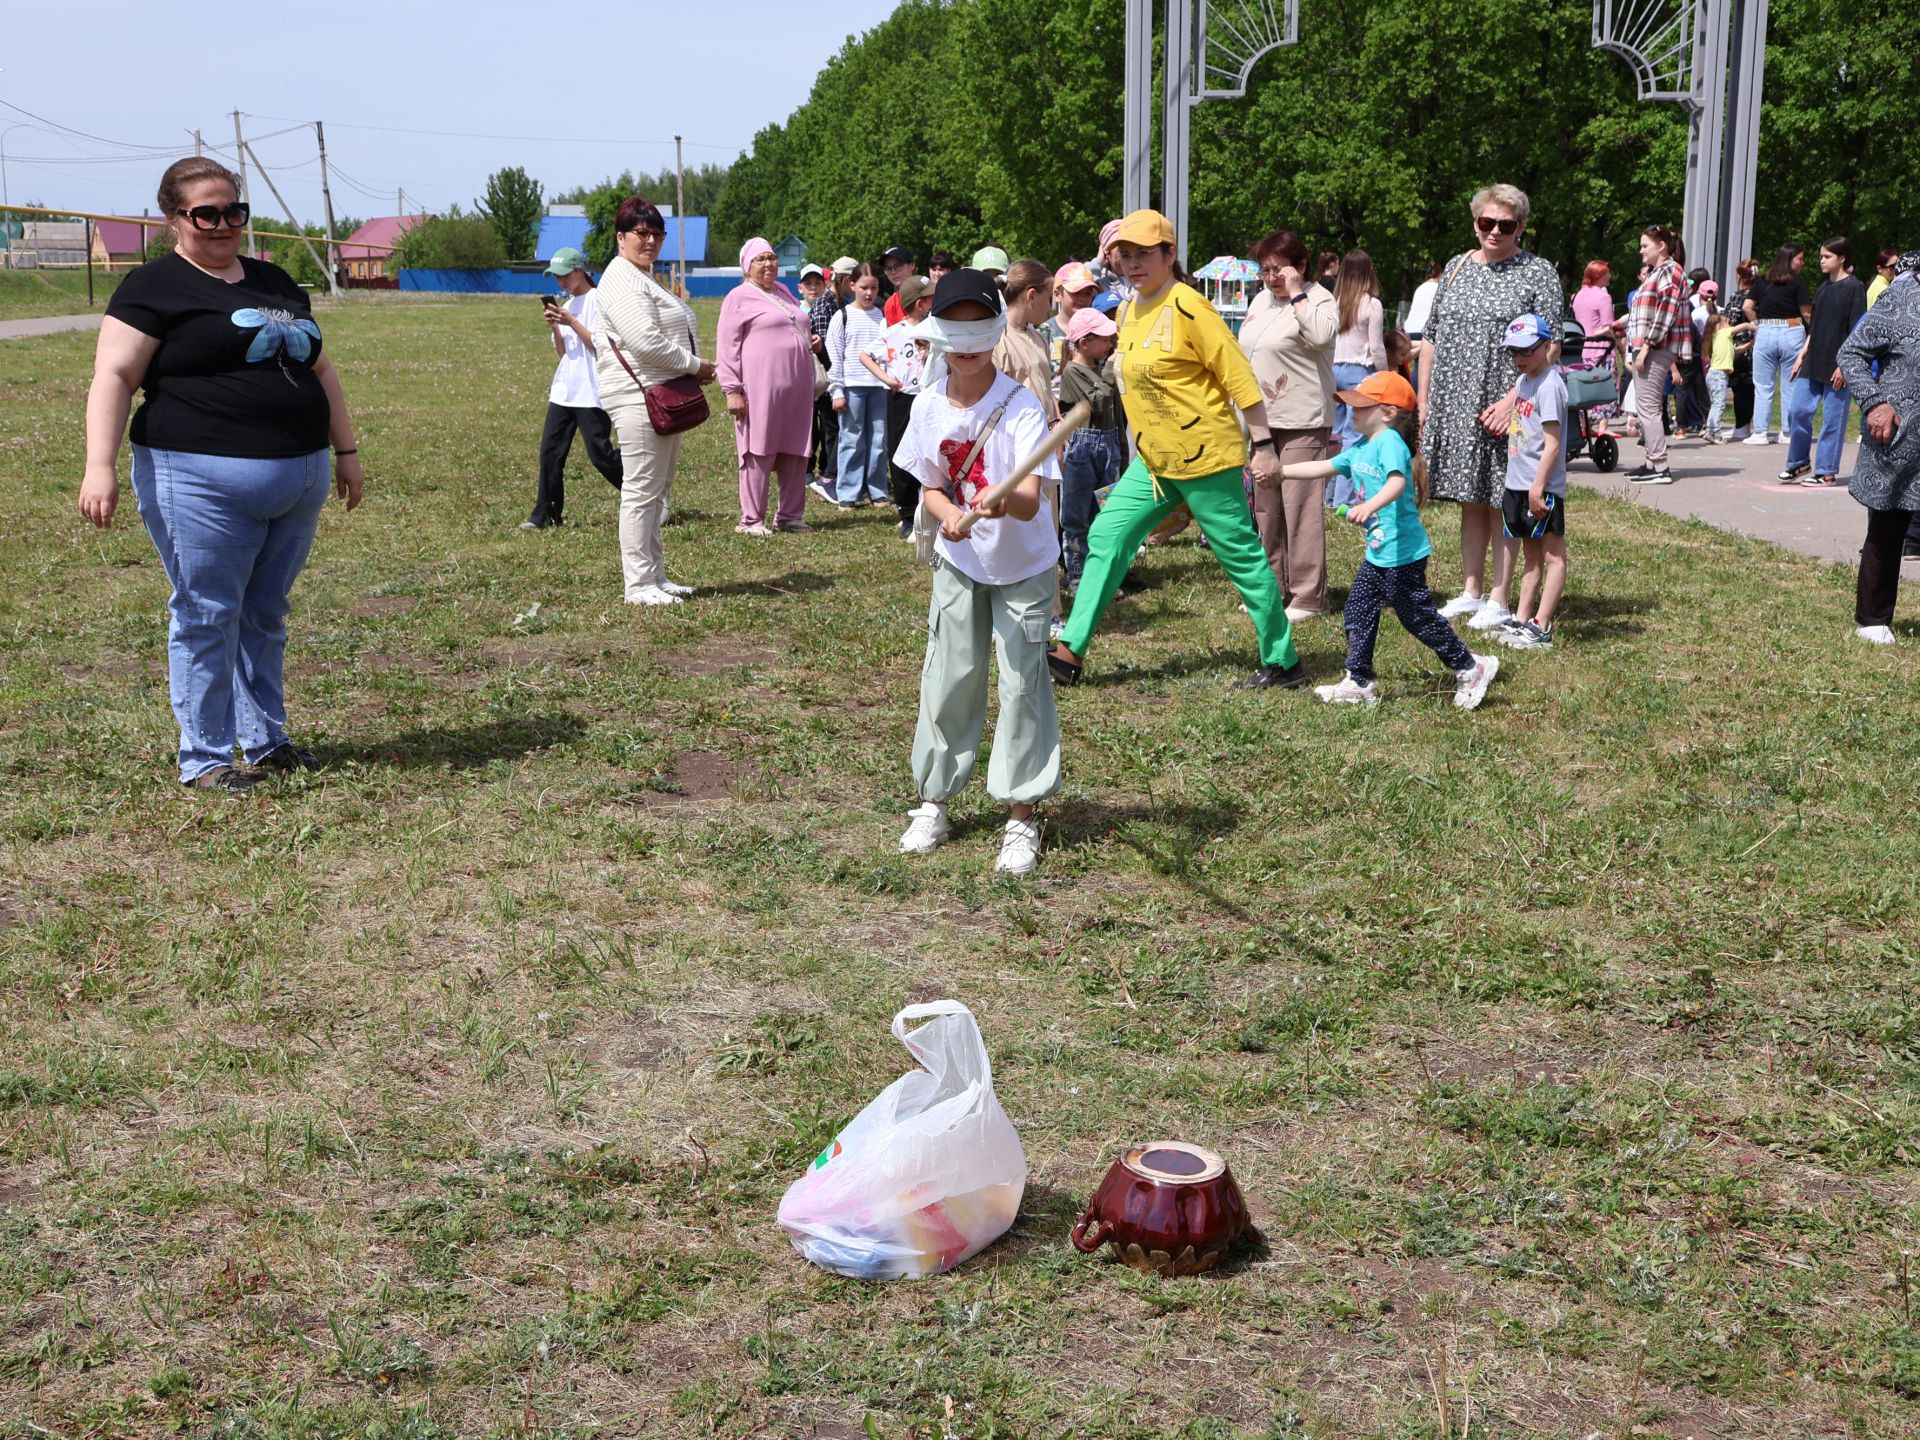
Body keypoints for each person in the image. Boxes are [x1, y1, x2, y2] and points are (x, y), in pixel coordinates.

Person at [78, 157, 364, 793]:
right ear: (173, 219)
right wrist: (100, 467)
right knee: (207, 613)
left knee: (264, 611)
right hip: (198, 477)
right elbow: (115, 377)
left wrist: (344, 452)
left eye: (234, 211)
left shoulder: (277, 281)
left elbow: (320, 370)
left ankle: (266, 741)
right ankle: (205, 757)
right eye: (206, 213)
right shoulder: (152, 287)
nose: (223, 224)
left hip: (299, 474)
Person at [1046, 209, 1306, 691]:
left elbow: (1240, 380)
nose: (1133, 263)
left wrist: (1265, 446)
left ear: (1170, 254)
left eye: (1145, 254)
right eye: (1125, 255)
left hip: (1205, 457)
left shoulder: (1190, 307)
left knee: (1241, 560)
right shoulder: (1126, 310)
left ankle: (1284, 662)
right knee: (1106, 536)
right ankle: (1070, 652)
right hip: (1154, 461)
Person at [894, 269, 1061, 875]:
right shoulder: (928, 405)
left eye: (977, 328)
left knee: (1022, 685)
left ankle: (1021, 814)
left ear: (995, 329)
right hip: (960, 562)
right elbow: (930, 487)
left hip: (1023, 565)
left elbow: (1032, 497)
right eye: (953, 329)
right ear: (936, 332)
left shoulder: (1019, 407)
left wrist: (999, 500)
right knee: (949, 676)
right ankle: (934, 799)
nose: (965, 344)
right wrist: (951, 517)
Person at [1269, 373, 1499, 709]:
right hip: (1380, 554)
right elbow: (1323, 467)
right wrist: (1281, 472)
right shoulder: (1361, 447)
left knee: (1416, 616)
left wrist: (1368, 506)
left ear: (1388, 412)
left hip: (1403, 553)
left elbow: (1395, 483)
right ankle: (1359, 682)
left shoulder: (1389, 442)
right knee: (1359, 607)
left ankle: (1470, 665)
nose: (1353, 412)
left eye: (1362, 406)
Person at [1415, 183, 1565, 628]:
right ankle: (1471, 590)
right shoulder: (1458, 266)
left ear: (1520, 227)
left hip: (1508, 401)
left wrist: (1511, 400)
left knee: (1503, 496)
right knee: (1470, 498)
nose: (1495, 231)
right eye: (1487, 223)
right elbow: (1431, 337)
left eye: (1506, 225)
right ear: (1475, 222)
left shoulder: (1537, 273)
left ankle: (1500, 597)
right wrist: (1424, 400)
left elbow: (1551, 342)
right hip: (1455, 398)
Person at [593, 195, 715, 607]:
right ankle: (638, 584)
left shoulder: (639, 274)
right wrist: (696, 365)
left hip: (659, 393)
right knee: (641, 491)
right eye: (641, 233)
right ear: (621, 237)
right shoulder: (621, 279)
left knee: (655, 490)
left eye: (657, 234)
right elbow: (645, 341)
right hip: (639, 396)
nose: (650, 241)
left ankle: (655, 577)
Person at [1237, 226, 1337, 620]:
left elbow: (1322, 336)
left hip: (1302, 418)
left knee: (1300, 507)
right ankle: (1273, 587)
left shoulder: (1319, 299)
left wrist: (1297, 295)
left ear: (1301, 266)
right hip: (1261, 419)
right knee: (1267, 506)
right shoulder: (1261, 300)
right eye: (1266, 270)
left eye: (1281, 269)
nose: (1273, 277)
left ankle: (1309, 595)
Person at [1838, 252, 1920, 644]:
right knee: (1887, 528)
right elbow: (1851, 353)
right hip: (1902, 439)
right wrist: (1875, 403)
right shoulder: (1901, 297)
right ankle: (1873, 620)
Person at [717, 236, 817, 535]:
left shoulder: (784, 292)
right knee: (758, 449)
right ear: (747, 266)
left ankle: (789, 515)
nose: (768, 264)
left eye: (771, 258)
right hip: (760, 388)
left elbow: (796, 323)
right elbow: (727, 346)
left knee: (797, 449)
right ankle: (752, 519)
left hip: (797, 388)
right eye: (760, 259)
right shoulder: (738, 297)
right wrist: (732, 390)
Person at [522, 247, 623, 530]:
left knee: (600, 454)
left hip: (592, 390)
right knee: (550, 453)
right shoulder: (566, 306)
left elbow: (599, 345)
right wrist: (557, 327)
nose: (561, 282)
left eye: (565, 275)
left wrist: (571, 322)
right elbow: (563, 353)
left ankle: (643, 494)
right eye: (556, 277)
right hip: (565, 390)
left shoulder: (599, 301)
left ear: (580, 270)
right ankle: (544, 515)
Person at [1490, 316, 1569, 651]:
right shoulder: (1524, 381)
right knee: (1531, 556)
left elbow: (1551, 444)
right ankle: (1522, 618)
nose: (1519, 358)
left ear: (1547, 346)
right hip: (1518, 484)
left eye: (1526, 350)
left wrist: (1538, 487)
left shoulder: (1550, 386)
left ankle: (1542, 623)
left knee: (1553, 557)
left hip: (1540, 488)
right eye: (1513, 352)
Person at [1781, 237, 1868, 487]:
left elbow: (1857, 330)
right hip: (1813, 360)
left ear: (1841, 258)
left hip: (1838, 365)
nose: (1821, 261)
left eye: (1826, 257)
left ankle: (1826, 471)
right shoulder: (1822, 288)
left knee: (1833, 419)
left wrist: (1845, 365)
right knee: (1797, 410)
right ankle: (1799, 462)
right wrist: (1802, 353)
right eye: (1821, 256)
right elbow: (1815, 327)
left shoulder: (1855, 287)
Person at [1056, 306, 1123, 601]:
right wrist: (1110, 369)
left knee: (1105, 512)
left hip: (1108, 449)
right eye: (1104, 339)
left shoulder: (1096, 369)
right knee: (1076, 516)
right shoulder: (1073, 372)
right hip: (1083, 451)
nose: (1110, 344)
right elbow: (1098, 401)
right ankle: (1077, 576)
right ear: (1084, 342)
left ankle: (1101, 574)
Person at [1623, 224, 1691, 486]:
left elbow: (1665, 313)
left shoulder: (1671, 271)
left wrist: (1647, 348)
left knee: (1649, 408)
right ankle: (1651, 461)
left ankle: (1660, 466)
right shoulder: (1657, 273)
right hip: (1647, 346)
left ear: (1661, 245)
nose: (1641, 251)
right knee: (1644, 406)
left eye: (1645, 246)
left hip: (1657, 347)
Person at [871, 274, 934, 536]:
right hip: (903, 397)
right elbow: (867, 355)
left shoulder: (935, 328)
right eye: (930, 297)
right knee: (900, 453)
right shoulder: (894, 332)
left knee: (929, 451)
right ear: (920, 303)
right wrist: (887, 378)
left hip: (929, 396)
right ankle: (907, 515)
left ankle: (929, 510)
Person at [826, 262, 891, 508]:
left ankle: (877, 489)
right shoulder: (842, 316)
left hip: (879, 387)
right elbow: (835, 356)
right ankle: (848, 492)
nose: (868, 293)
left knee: (878, 440)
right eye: (864, 287)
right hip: (852, 387)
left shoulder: (883, 317)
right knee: (852, 439)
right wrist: (837, 390)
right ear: (852, 285)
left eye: (873, 287)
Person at [1743, 243, 1812, 444]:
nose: (1803, 262)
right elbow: (1806, 313)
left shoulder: (1762, 280)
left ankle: (1760, 433)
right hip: (1792, 330)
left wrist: (1759, 324)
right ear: (1790, 259)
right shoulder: (1798, 282)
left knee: (1763, 385)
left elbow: (1747, 306)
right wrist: (1817, 330)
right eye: (1800, 258)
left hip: (1765, 331)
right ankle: (1788, 432)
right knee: (1790, 384)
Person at [1330, 250, 1387, 482]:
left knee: (1336, 436)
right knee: (1355, 436)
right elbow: (1376, 348)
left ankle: (1330, 494)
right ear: (1368, 272)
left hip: (1334, 370)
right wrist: (1386, 375)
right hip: (1359, 372)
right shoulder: (1372, 304)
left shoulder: (1335, 302)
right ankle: (1346, 495)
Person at [808, 259, 856, 491]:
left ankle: (831, 470)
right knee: (832, 429)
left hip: (835, 376)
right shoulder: (824, 306)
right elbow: (826, 349)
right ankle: (828, 474)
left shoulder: (837, 302)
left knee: (833, 428)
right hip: (828, 379)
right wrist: (834, 381)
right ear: (846, 280)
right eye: (853, 281)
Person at [993, 259, 1057, 419]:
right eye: (1049, 299)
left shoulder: (1039, 338)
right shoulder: (997, 341)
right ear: (1032, 296)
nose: (1050, 308)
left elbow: (1046, 389)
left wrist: (1056, 419)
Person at [1570, 259, 1621, 437]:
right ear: (1599, 275)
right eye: (1607, 273)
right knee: (1606, 385)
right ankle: (1603, 424)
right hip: (1602, 348)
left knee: (1584, 388)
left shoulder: (1576, 296)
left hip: (1583, 348)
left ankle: (1584, 425)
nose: (1610, 276)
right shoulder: (1603, 297)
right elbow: (1607, 325)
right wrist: (1619, 331)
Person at [1701, 294, 1753, 444]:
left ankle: (1709, 430)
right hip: (1719, 375)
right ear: (1718, 326)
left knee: (1716, 403)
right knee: (1719, 404)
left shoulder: (1721, 339)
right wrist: (1753, 325)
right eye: (1727, 322)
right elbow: (1742, 326)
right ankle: (1714, 432)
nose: (1730, 324)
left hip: (1714, 374)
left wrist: (1751, 344)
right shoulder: (1723, 333)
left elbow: (1737, 350)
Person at [1042, 261, 1099, 375]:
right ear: (1057, 294)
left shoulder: (1098, 331)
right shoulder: (1044, 333)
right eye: (1076, 293)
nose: (1082, 298)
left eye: (1087, 294)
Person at [1727, 258, 1760, 439]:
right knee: (1754, 387)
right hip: (1759, 345)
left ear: (1739, 275)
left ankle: (1741, 426)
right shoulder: (1761, 295)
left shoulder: (1738, 297)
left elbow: (1729, 321)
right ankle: (1750, 424)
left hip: (1740, 347)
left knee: (1740, 388)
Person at [1403, 259, 1444, 344]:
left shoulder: (1420, 288)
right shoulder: (1438, 289)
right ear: (1440, 275)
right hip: (1424, 331)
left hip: (1409, 330)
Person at [880, 244, 916, 324]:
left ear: (912, 265)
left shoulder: (929, 293)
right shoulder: (890, 304)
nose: (893, 272)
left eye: (898, 265)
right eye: (888, 268)